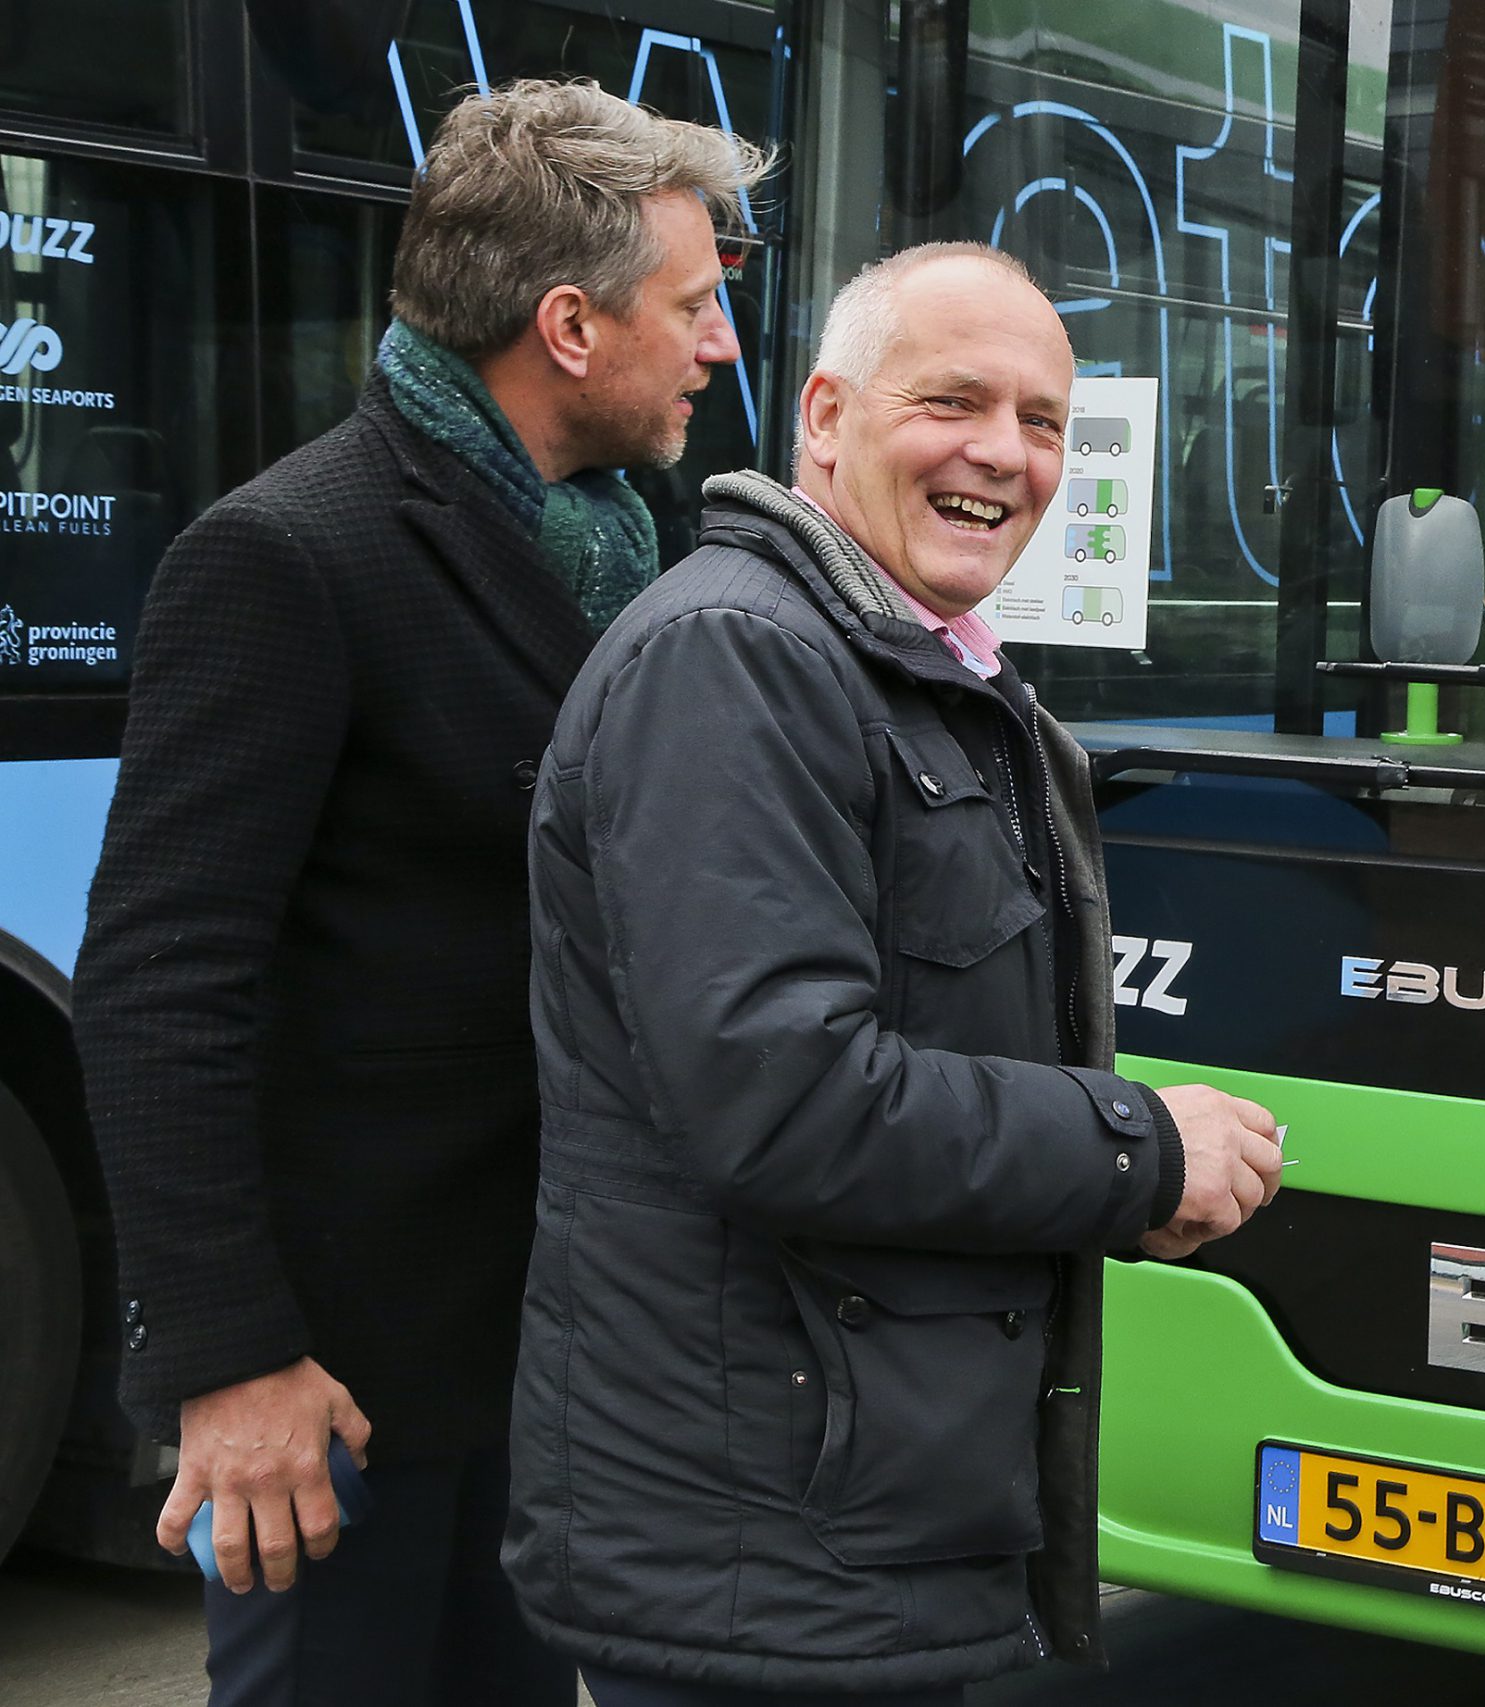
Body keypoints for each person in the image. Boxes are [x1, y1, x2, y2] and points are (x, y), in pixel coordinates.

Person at [501, 241, 1285, 1706]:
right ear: (825, 416)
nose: (1004, 454)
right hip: (768, 1556)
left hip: (853, 1542)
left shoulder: (904, 666)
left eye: (1044, 421)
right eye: (954, 402)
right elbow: (785, 1097)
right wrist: (1138, 1147)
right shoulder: (738, 657)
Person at [73, 80, 768, 1706]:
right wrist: (231, 1360)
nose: (721, 347)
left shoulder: (635, 545)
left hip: (553, 1355)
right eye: (697, 305)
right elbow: (160, 985)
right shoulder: (289, 555)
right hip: (342, 1391)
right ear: (570, 326)